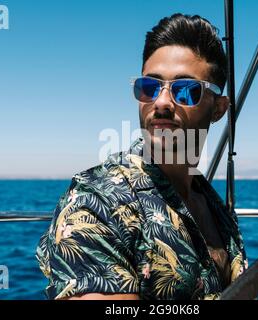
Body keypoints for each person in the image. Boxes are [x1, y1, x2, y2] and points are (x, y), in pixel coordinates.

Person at [36, 13, 247, 300]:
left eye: (185, 90)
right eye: (149, 87)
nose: (161, 102)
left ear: (219, 109)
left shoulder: (212, 205)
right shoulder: (97, 201)